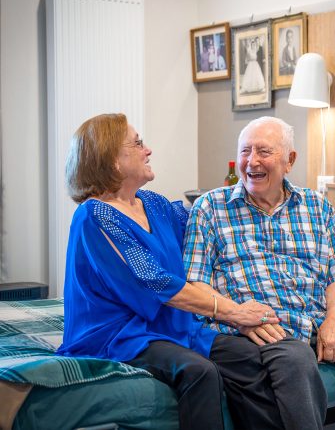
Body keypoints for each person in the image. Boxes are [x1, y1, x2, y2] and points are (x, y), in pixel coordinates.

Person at [183, 116, 335, 430]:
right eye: (245, 151)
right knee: (296, 360)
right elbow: (195, 284)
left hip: (318, 315)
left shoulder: (316, 206)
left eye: (263, 152)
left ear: (289, 160)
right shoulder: (210, 208)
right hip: (266, 325)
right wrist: (237, 314)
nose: (252, 161)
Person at [56, 113, 285, 430]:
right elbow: (155, 282)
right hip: (117, 334)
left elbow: (203, 229)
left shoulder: (153, 202)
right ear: (112, 160)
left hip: (172, 326)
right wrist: (233, 313)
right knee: (199, 372)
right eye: (137, 143)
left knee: (248, 356)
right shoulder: (95, 215)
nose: (147, 149)